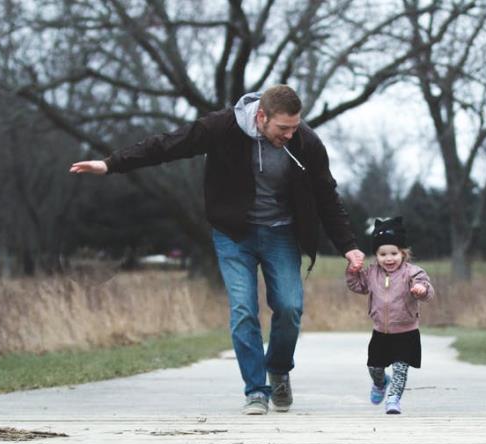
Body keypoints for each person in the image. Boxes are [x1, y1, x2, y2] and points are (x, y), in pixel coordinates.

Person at [70, 84, 365, 415]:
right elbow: (168, 145)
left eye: (295, 127)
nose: (289, 134)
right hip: (233, 233)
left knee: (290, 307)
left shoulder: (305, 142)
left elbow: (327, 196)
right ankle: (256, 390)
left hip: (280, 233)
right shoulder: (221, 127)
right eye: (283, 128)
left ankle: (279, 369)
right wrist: (111, 164)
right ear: (261, 116)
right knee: (243, 310)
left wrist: (349, 247)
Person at [345, 216, 434, 414]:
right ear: (376, 256)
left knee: (401, 370)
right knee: (375, 368)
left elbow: (427, 290)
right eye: (383, 254)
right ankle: (380, 383)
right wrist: (352, 272)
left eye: (394, 253)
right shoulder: (371, 273)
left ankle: (393, 400)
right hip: (380, 332)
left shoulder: (412, 273)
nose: (389, 258)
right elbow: (357, 286)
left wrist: (421, 289)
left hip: (406, 332)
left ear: (403, 253)